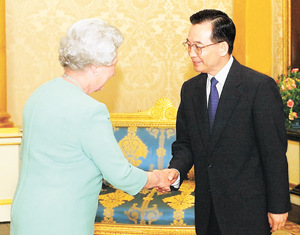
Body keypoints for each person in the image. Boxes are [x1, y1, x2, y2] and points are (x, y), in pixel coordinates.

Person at [10, 18, 174, 235]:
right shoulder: (89, 111)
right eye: (113, 64)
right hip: (62, 222)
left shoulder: (39, 94)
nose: (114, 72)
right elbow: (120, 174)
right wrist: (159, 178)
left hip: (25, 216)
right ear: (95, 66)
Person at [160, 9, 291, 235]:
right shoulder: (190, 90)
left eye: (198, 46)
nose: (191, 53)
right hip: (207, 207)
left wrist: (278, 205)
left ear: (222, 47)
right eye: (188, 45)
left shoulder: (258, 87)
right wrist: (176, 170)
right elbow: (186, 143)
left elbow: (273, 152)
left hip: (248, 209)